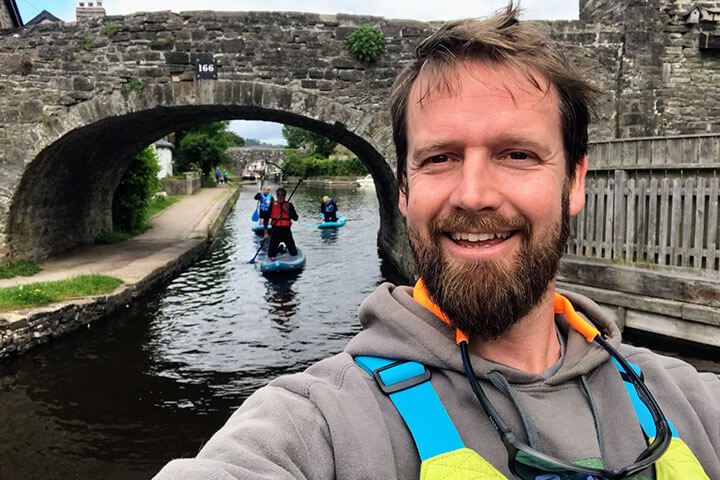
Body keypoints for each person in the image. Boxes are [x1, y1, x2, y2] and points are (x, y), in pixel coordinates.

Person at [155, 5, 719, 479]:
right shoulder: (316, 424)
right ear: (402, 188)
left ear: (574, 181)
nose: (473, 195)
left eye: (517, 154)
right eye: (440, 158)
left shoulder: (691, 402)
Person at [267, 187, 299, 260]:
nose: (281, 197)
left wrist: (288, 211)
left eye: (282, 195)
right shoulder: (272, 205)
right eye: (279, 195)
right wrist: (266, 232)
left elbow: (295, 218)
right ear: (277, 196)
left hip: (286, 231)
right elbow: (266, 217)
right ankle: (278, 250)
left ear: (285, 196)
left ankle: (283, 249)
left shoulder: (289, 205)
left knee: (293, 252)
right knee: (271, 254)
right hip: (275, 230)